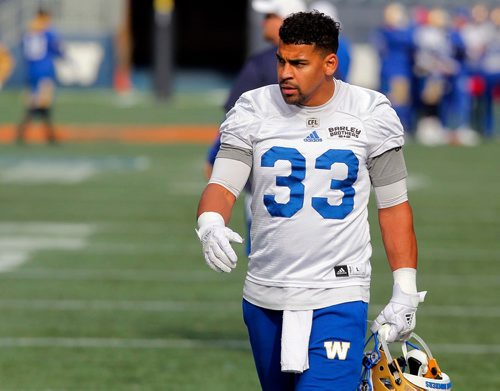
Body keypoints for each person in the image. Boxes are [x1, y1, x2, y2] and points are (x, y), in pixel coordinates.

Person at [196, 10, 426, 390]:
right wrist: (211, 222)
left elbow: (394, 206)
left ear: (329, 63)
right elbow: (223, 183)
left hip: (339, 292)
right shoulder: (253, 108)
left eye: (299, 63)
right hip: (265, 291)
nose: (285, 72)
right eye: (281, 60)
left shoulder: (370, 112)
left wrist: (405, 288)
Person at [204, 0, 307, 255]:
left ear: (286, 20)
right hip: (315, 183)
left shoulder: (262, 63)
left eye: (270, 16)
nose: (264, 22)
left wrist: (214, 155)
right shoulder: (323, 66)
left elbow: (233, 121)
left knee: (264, 262)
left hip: (267, 182)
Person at [16, 8, 63, 144]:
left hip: (31, 71)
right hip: (44, 70)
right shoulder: (48, 31)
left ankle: (44, 134)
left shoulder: (29, 31)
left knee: (35, 100)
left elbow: (25, 50)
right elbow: (57, 48)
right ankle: (48, 135)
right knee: (43, 103)